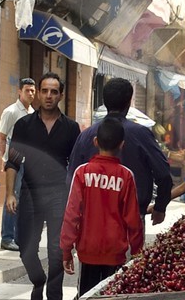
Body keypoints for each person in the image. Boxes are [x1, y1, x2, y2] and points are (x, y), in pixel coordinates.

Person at [5, 72, 80, 300]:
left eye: (54, 91)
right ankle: (38, 279)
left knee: (57, 251)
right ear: (37, 92)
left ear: (60, 94)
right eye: (45, 90)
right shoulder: (24, 126)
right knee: (26, 249)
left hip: (59, 194)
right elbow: (12, 161)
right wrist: (9, 194)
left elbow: (77, 167)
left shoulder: (71, 128)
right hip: (30, 193)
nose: (49, 96)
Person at [67, 77, 173, 227]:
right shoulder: (141, 134)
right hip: (131, 219)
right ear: (129, 102)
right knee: (130, 251)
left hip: (92, 220)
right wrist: (160, 207)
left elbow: (71, 180)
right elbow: (163, 174)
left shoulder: (86, 135)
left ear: (104, 102)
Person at [59, 117, 145, 295]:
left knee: (86, 298)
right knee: (110, 299)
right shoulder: (126, 176)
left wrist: (66, 249)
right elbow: (133, 219)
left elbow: (71, 214)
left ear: (96, 142)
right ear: (122, 145)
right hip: (115, 252)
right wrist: (137, 252)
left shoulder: (82, 172)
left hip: (88, 249)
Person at [0, 77, 36, 250]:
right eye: (27, 90)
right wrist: (3, 160)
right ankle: (7, 237)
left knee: (25, 200)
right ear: (19, 91)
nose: (31, 93)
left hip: (29, 161)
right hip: (14, 160)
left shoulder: (33, 112)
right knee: (12, 197)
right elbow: (1, 137)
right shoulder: (11, 111)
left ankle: (19, 238)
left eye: (33, 90)